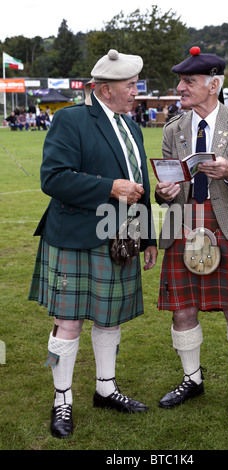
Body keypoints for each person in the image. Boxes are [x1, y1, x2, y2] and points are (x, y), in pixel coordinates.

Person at [28, 49, 158, 438]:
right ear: (104, 88)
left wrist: (148, 236)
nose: (137, 91)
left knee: (109, 318)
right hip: (75, 237)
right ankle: (62, 399)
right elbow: (53, 178)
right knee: (67, 323)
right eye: (130, 85)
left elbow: (140, 185)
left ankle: (106, 389)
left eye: (136, 84)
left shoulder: (132, 127)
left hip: (120, 238)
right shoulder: (71, 119)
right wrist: (109, 188)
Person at [155, 47, 228, 417]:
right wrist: (163, 192)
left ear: (213, 85)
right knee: (182, 311)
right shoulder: (174, 128)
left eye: (188, 82)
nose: (180, 88)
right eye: (181, 81)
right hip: (183, 227)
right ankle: (192, 379)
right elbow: (166, 185)